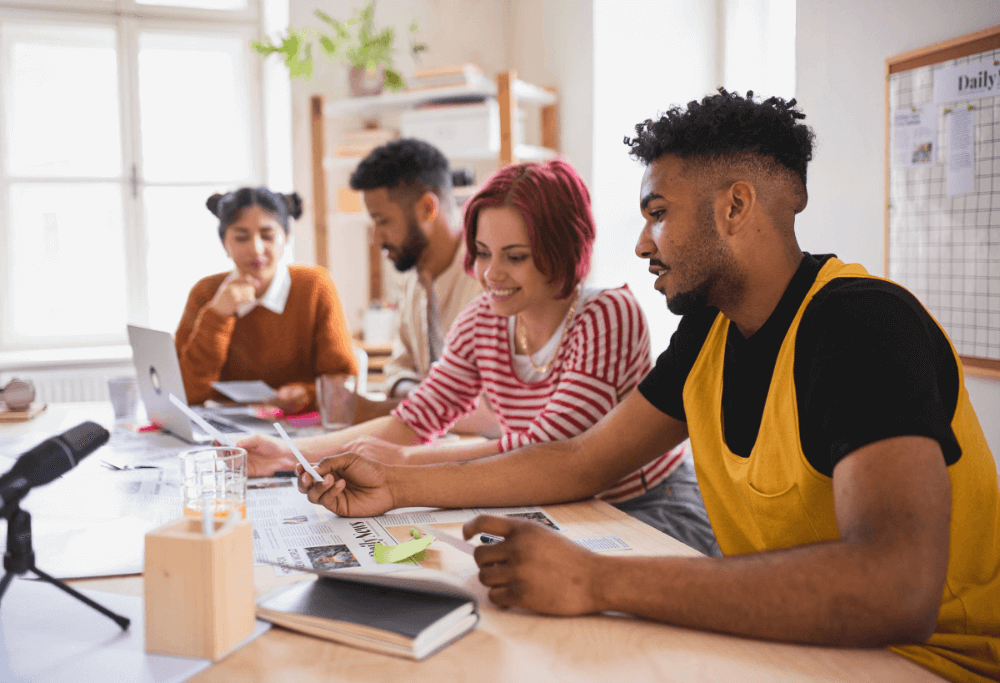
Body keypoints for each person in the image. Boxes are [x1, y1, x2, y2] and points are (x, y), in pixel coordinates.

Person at [291, 90, 999, 683]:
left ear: (735, 207)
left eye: (657, 212)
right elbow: (578, 460)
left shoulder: (861, 323)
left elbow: (896, 587)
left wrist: (600, 580)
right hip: (805, 645)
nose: (639, 242)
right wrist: (397, 484)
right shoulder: (709, 333)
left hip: (927, 663)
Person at [242, 158, 718, 556]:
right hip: (558, 503)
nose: (491, 274)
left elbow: (550, 445)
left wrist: (408, 462)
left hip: (648, 503)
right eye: (484, 253)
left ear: (562, 248)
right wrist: (288, 454)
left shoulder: (608, 312)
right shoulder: (484, 318)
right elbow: (414, 417)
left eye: (515, 257)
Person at [176, 187, 358, 414]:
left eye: (268, 236)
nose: (256, 248)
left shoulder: (315, 286)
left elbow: (341, 382)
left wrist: (306, 394)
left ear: (286, 239)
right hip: (225, 435)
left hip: (300, 430)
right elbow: (184, 393)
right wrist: (218, 315)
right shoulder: (205, 292)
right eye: (241, 237)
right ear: (225, 243)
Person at [348, 139, 489, 428]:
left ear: (427, 208)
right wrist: (422, 397)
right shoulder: (416, 282)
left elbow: (486, 411)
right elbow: (398, 368)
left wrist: (414, 401)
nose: (376, 238)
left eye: (382, 220)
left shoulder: (488, 281)